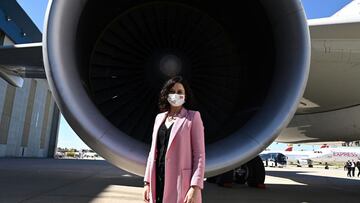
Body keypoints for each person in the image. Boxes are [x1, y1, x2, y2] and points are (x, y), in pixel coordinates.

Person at [143, 76, 205, 203]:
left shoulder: (193, 118)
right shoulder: (159, 118)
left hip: (180, 183)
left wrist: (195, 186)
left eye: (180, 92)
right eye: (172, 91)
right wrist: (147, 182)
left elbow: (199, 155)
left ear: (185, 96)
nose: (175, 95)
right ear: (166, 95)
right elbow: (152, 153)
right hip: (158, 179)